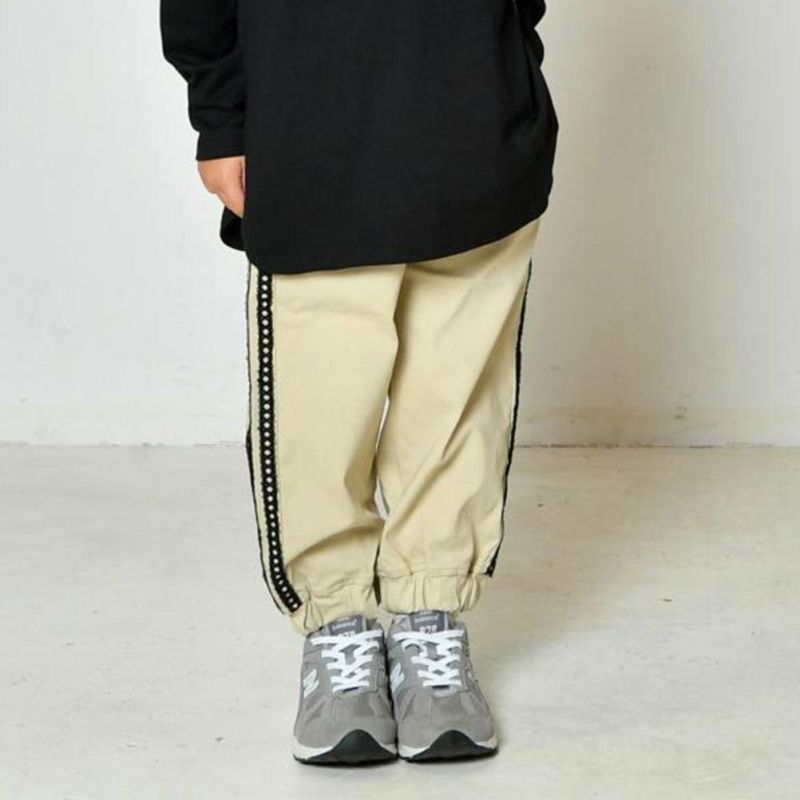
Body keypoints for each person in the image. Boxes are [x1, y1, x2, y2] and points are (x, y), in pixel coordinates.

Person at [160, 0, 558, 765]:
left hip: (477, 120)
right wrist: (221, 119)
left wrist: (510, 66)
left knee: (455, 403)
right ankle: (337, 628)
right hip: (309, 130)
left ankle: (430, 616)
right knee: (320, 410)